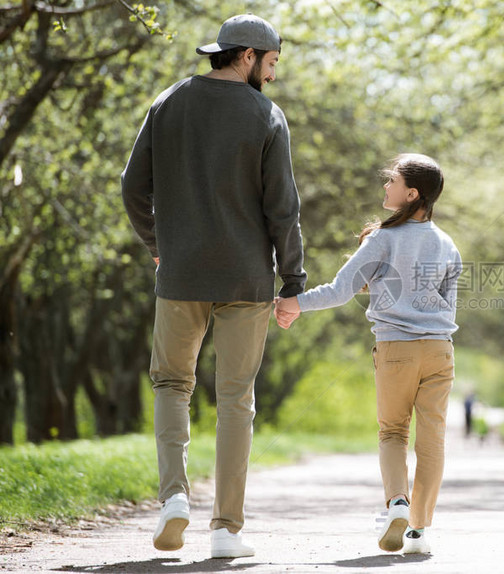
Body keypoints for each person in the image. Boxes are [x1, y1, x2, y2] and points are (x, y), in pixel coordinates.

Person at [121, 14, 305, 559]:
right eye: (270, 63)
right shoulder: (267, 116)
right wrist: (293, 278)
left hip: (180, 275)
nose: (271, 76)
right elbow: (283, 209)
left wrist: (159, 244)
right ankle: (226, 530)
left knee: (172, 385)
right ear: (247, 56)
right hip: (247, 280)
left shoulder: (169, 102)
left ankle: (173, 499)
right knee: (235, 399)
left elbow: (133, 186)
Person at [274, 153, 461, 554]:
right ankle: (418, 532)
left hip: (396, 349)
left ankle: (396, 504)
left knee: (393, 432)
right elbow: (446, 306)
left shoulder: (384, 239)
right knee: (433, 442)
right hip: (440, 352)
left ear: (412, 193)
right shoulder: (447, 244)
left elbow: (341, 291)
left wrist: (293, 304)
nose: (385, 187)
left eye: (391, 180)